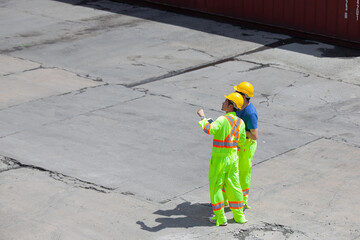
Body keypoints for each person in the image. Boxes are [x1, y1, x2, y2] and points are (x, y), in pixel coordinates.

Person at [197, 92, 247, 226]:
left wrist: (203, 116)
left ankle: (220, 217)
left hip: (220, 160)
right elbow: (242, 141)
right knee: (234, 185)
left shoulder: (222, 119)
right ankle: (239, 216)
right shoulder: (240, 122)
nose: (222, 103)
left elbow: (209, 129)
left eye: (225, 102)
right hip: (233, 158)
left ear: (231, 106)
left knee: (216, 186)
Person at [234, 82, 258, 209]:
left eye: (237, 93)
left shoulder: (250, 113)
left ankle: (242, 201)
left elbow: (254, 135)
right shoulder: (237, 105)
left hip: (247, 146)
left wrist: (240, 129)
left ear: (244, 96)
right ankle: (230, 198)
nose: (235, 94)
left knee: (243, 173)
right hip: (238, 144)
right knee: (232, 172)